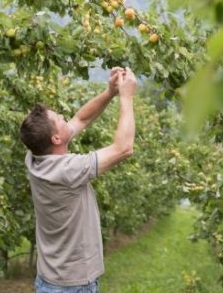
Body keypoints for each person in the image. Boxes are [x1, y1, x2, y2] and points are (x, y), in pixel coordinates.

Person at [20, 67, 138, 293]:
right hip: (72, 286)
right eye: (60, 119)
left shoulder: (35, 156)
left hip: (49, 278)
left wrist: (109, 92)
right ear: (56, 138)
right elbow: (124, 148)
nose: (66, 118)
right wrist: (126, 96)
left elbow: (81, 118)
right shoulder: (68, 170)